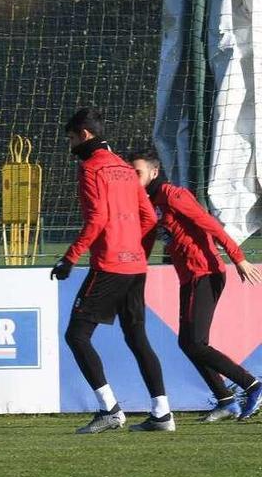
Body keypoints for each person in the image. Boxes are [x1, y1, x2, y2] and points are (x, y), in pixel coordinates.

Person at [51, 109, 172, 433]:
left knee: (77, 336)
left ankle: (110, 410)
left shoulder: (91, 169)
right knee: (137, 337)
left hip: (110, 266)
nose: (71, 145)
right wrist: (136, 253)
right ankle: (162, 413)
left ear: (85, 136)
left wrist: (68, 258)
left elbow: (97, 219)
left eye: (72, 138)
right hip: (134, 266)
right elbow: (148, 217)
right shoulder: (123, 167)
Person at [131, 150, 262, 421]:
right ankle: (225, 399)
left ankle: (252, 385)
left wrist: (238, 258)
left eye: (137, 173)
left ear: (154, 172)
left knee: (195, 343)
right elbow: (147, 239)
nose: (133, 178)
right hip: (190, 276)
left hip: (204, 273)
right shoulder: (150, 202)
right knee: (189, 343)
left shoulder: (172, 195)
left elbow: (210, 224)